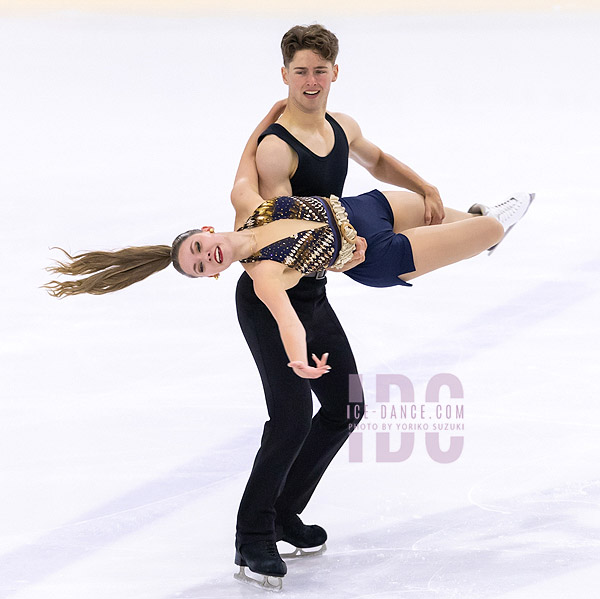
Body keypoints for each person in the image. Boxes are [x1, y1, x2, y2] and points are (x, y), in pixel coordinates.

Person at [45, 24, 533, 591]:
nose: (210, 254)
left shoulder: (244, 201)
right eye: (204, 263)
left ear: (210, 231)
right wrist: (300, 358)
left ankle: (284, 514)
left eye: (202, 247)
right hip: (275, 305)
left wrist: (268, 114)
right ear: (216, 272)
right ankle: (252, 537)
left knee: (346, 407)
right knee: (292, 415)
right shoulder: (258, 264)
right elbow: (282, 309)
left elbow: (245, 158)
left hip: (318, 284)